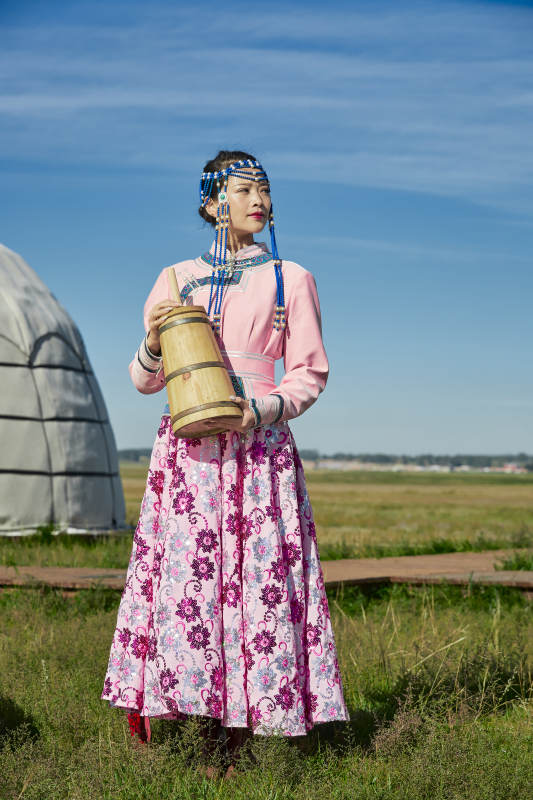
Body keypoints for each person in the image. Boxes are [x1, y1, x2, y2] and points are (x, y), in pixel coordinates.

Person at [101, 150, 348, 769]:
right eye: (244, 189)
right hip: (188, 459)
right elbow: (140, 380)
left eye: (264, 189)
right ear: (214, 204)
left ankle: (243, 731)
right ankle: (203, 720)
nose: (259, 199)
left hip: (258, 449)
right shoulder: (175, 278)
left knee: (257, 584)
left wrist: (260, 412)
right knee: (191, 586)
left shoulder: (291, 278)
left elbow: (310, 372)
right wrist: (154, 341)